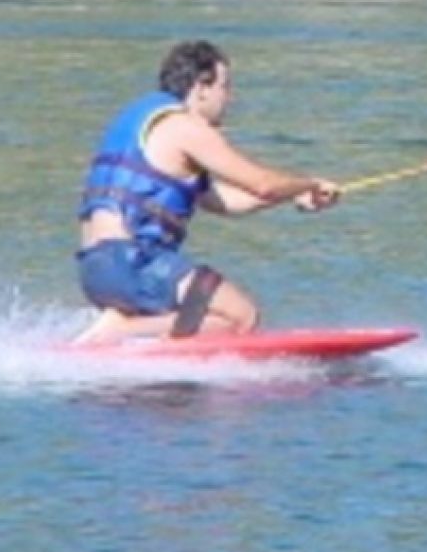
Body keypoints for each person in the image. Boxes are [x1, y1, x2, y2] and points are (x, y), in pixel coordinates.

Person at [72, 40, 343, 345]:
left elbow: (221, 201)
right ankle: (120, 330)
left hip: (96, 269)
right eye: (225, 87)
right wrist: (309, 183)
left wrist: (290, 196)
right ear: (202, 87)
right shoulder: (186, 127)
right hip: (135, 262)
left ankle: (135, 342)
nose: (230, 97)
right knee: (241, 316)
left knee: (197, 320)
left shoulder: (146, 122)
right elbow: (263, 185)